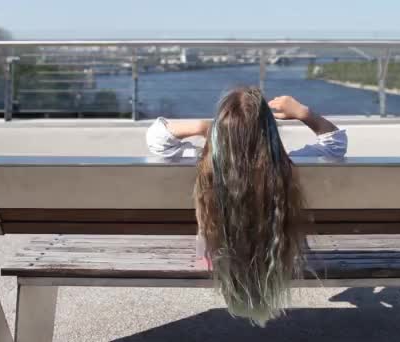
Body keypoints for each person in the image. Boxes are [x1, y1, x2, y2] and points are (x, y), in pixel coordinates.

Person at [146, 87, 347, 326]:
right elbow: (335, 145)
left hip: (216, 255)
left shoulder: (205, 164)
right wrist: (304, 113)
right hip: (277, 254)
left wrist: (204, 128)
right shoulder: (289, 167)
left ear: (221, 126)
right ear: (269, 132)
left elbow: (157, 139)